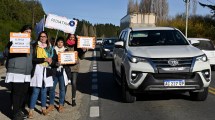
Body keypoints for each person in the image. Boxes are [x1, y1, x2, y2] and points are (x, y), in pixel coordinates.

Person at [4, 25, 33, 120]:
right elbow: (5, 53)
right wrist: (10, 46)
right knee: (17, 92)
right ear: (21, 32)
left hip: (27, 72)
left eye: (29, 32)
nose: (28, 33)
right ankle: (15, 113)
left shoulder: (32, 44)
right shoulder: (14, 40)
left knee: (24, 92)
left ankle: (19, 110)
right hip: (16, 70)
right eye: (26, 31)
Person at [28, 31, 57, 119]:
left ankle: (43, 108)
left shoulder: (51, 48)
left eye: (44, 36)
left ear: (47, 38)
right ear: (39, 37)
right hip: (37, 69)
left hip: (47, 70)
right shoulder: (35, 46)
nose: (42, 38)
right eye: (41, 36)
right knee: (36, 91)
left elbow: (55, 61)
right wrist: (44, 59)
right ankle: (31, 110)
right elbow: (33, 59)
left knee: (44, 91)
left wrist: (51, 61)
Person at [47, 37, 71, 112]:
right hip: (54, 72)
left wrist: (69, 61)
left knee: (62, 89)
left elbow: (70, 61)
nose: (60, 43)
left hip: (63, 72)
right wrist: (55, 63)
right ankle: (51, 105)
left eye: (61, 42)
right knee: (52, 89)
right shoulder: (52, 50)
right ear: (56, 42)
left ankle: (61, 105)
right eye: (58, 42)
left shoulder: (66, 50)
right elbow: (51, 61)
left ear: (63, 43)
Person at [65, 34, 86, 106]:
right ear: (68, 37)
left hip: (75, 67)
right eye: (70, 37)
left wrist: (83, 51)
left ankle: (73, 99)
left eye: (73, 37)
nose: (72, 38)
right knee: (65, 83)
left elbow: (82, 57)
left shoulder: (77, 46)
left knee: (74, 83)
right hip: (66, 67)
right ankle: (63, 98)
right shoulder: (65, 45)